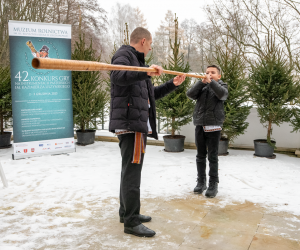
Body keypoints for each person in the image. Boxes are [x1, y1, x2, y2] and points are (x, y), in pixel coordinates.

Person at [109, 27, 186, 237]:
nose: (151, 48)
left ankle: (126, 213)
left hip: (136, 125)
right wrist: (145, 71)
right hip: (131, 125)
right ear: (143, 41)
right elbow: (117, 76)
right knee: (132, 173)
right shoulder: (124, 55)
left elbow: (150, 95)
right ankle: (131, 222)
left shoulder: (138, 62)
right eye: (150, 44)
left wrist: (172, 84)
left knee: (129, 171)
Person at [186, 65, 228, 198]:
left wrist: (212, 83)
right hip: (200, 123)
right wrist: (201, 83)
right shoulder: (202, 86)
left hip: (214, 125)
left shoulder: (222, 86)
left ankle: (213, 184)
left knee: (213, 156)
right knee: (200, 155)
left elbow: (222, 95)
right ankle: (201, 182)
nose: (209, 74)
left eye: (213, 73)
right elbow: (190, 94)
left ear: (218, 76)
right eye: (207, 72)